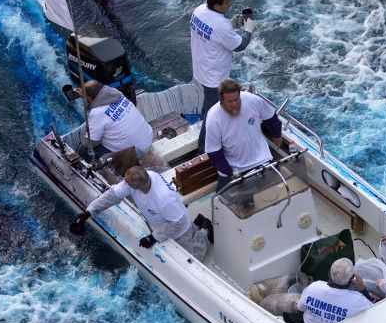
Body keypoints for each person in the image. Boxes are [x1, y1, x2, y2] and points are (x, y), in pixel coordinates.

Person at [69, 166, 210, 258]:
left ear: (138, 187)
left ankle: (205, 230)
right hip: (164, 219)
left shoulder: (163, 198)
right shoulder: (139, 179)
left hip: (179, 227)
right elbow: (113, 195)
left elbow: (178, 223)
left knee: (195, 256)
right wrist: (89, 212)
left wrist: (153, 237)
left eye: (127, 184)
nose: (124, 184)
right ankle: (197, 225)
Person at [190, 0, 255, 151]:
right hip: (214, 78)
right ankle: (203, 151)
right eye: (227, 3)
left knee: (208, 101)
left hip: (200, 69)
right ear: (217, 6)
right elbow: (240, 45)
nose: (230, 5)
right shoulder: (221, 25)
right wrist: (248, 31)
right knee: (211, 119)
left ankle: (203, 115)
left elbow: (214, 32)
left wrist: (230, 24)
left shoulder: (199, 10)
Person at [204, 79, 282, 193]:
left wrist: (277, 134)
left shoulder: (252, 100)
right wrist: (230, 173)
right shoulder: (213, 118)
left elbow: (270, 117)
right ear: (221, 100)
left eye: (236, 99)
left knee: (274, 194)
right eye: (229, 101)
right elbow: (214, 153)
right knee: (225, 202)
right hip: (234, 170)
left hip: (262, 159)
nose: (234, 104)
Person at [62, 80, 153, 158]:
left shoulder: (97, 113)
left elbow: (88, 143)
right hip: (148, 138)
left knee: (83, 149)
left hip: (135, 153)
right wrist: (85, 94)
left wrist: (84, 129)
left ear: (89, 98)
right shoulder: (118, 94)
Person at [296, 258, 374, 323]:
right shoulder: (358, 299)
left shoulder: (314, 287)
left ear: (330, 273)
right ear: (352, 279)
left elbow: (300, 307)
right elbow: (372, 311)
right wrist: (362, 289)